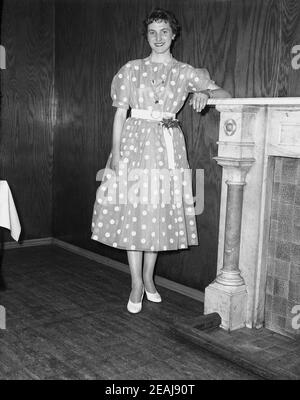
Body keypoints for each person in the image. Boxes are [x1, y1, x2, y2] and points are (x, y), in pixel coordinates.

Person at [91, 8, 231, 314]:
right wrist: (115, 155)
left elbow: (224, 92)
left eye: (164, 32)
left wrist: (207, 95)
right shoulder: (130, 69)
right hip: (133, 145)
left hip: (167, 147)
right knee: (134, 211)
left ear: (174, 35)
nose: (158, 38)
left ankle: (149, 279)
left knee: (155, 213)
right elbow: (119, 113)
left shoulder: (184, 72)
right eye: (152, 32)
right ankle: (136, 284)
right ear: (146, 36)